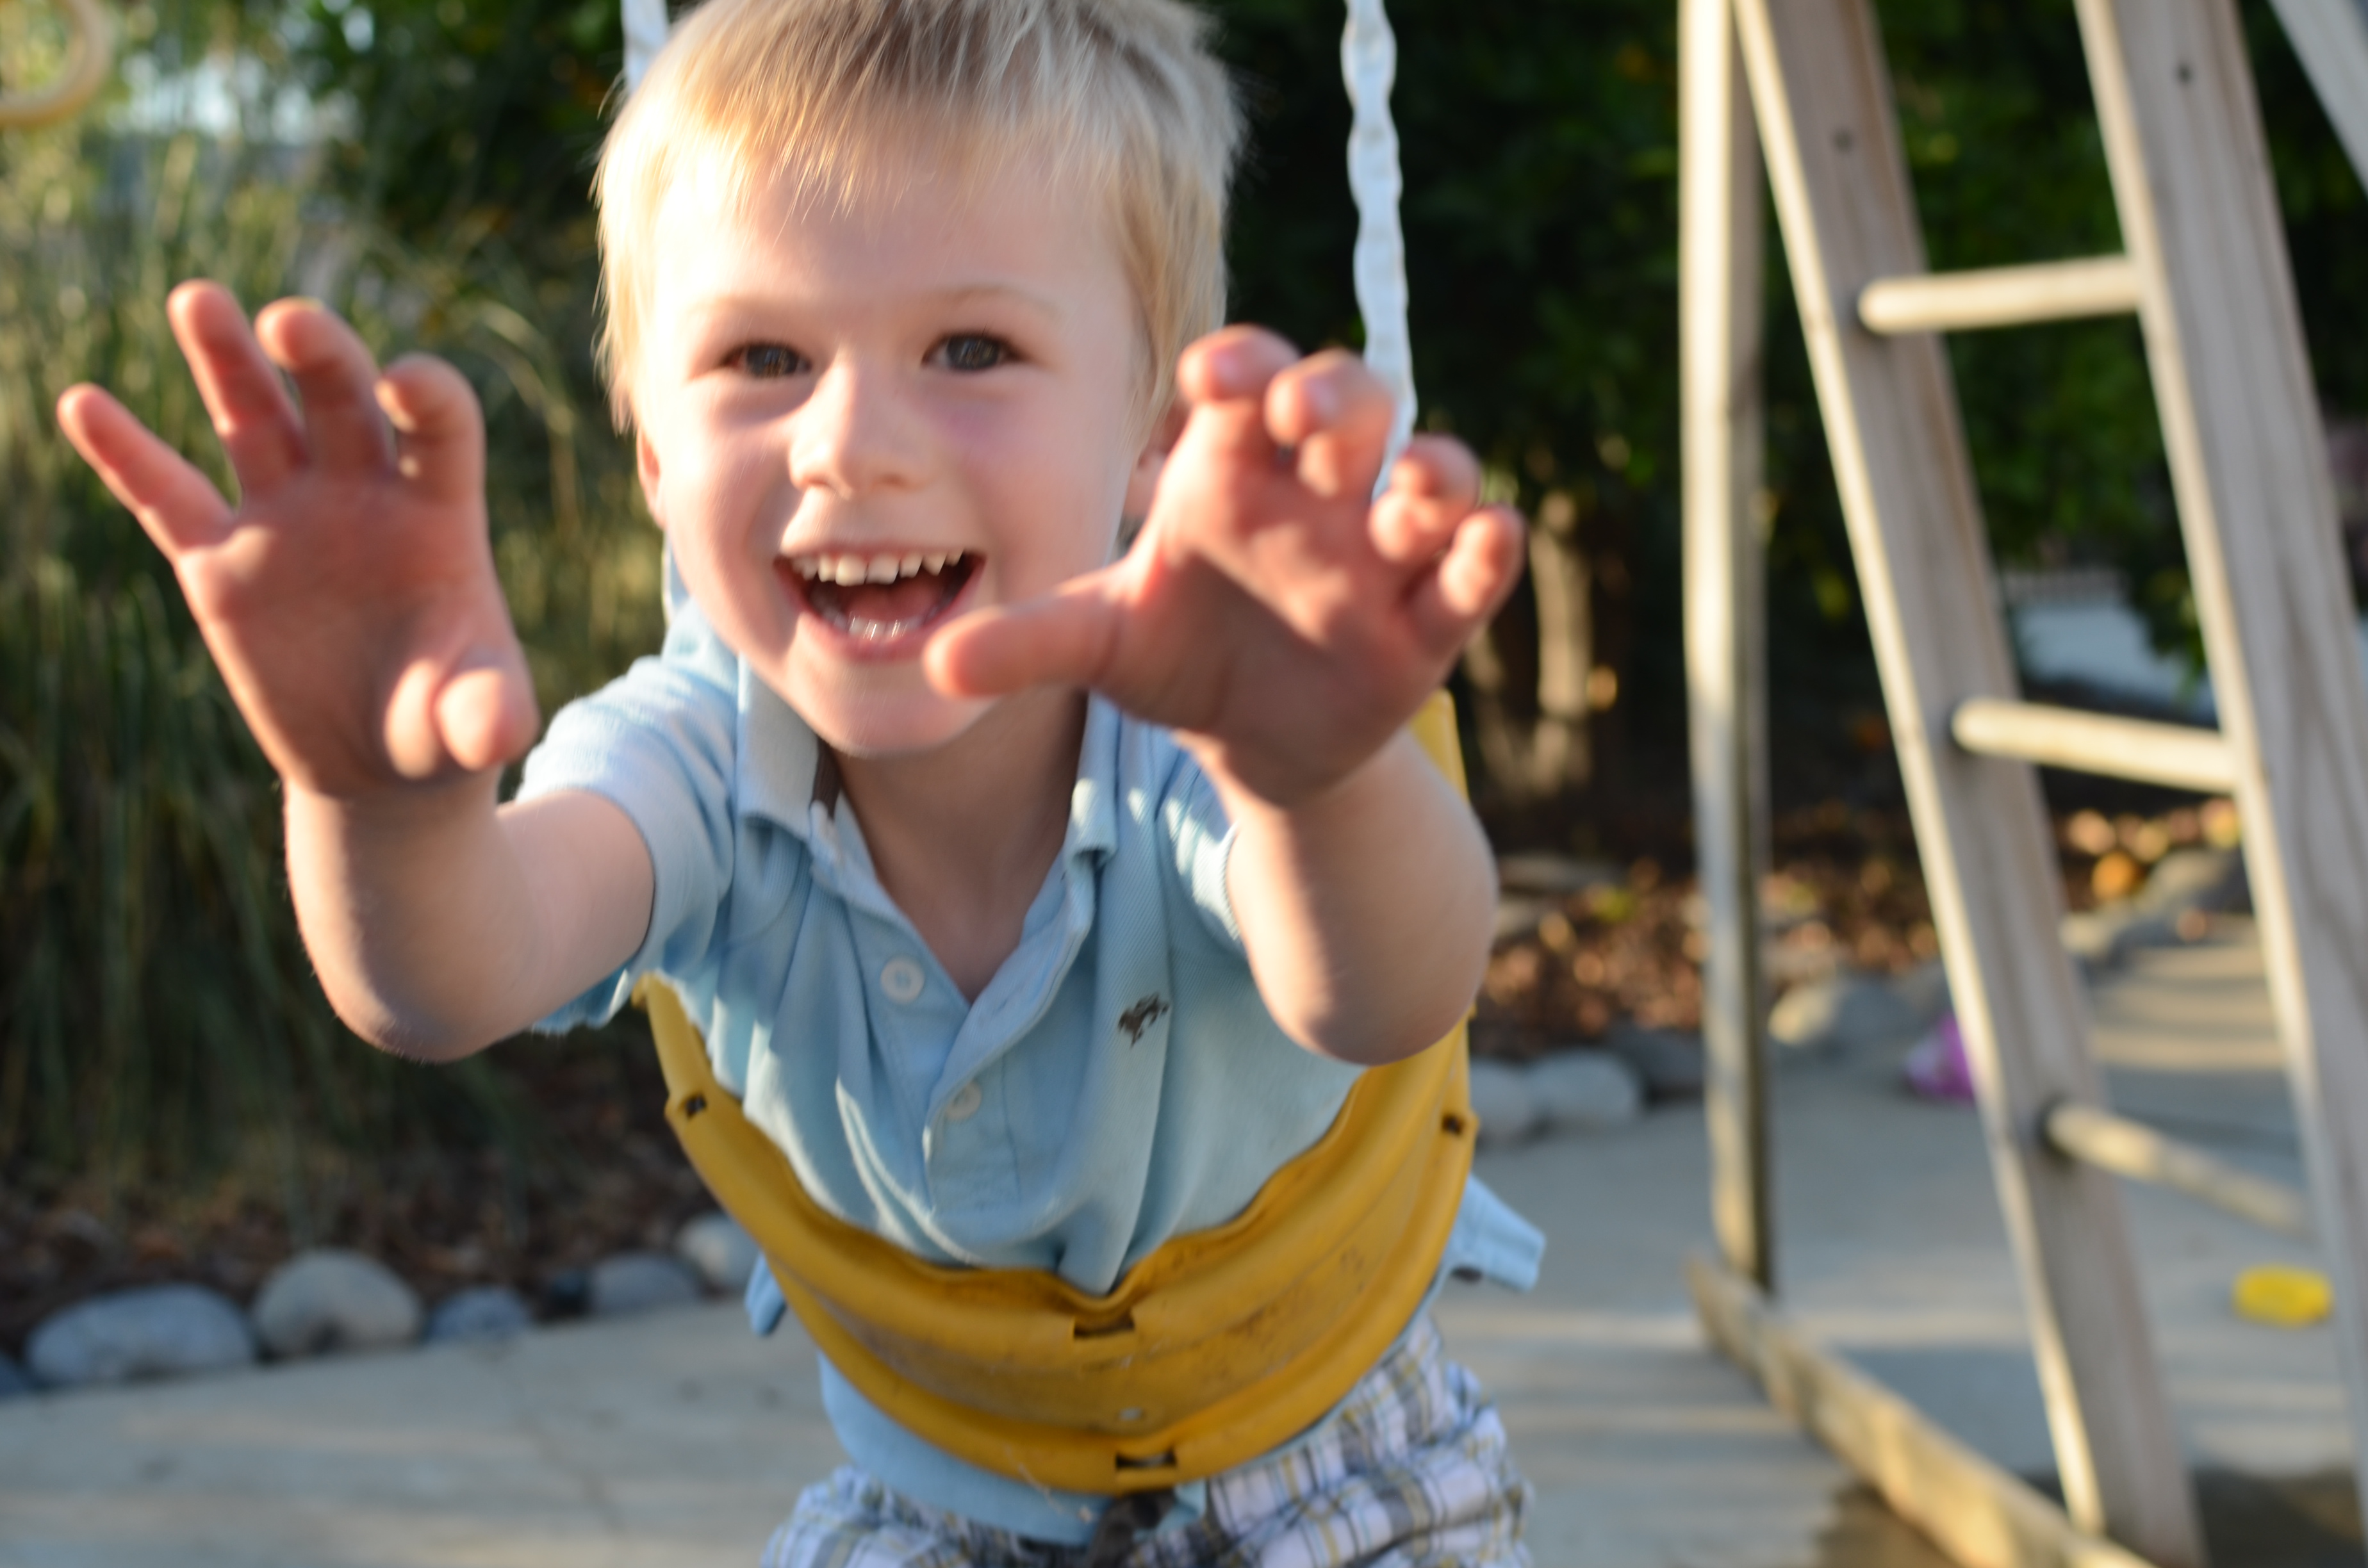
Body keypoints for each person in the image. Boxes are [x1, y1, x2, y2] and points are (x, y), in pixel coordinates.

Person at [57, 0, 1540, 1560]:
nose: (850, 444)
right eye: (763, 357)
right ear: (651, 451)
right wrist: (376, 799)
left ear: (1151, 428)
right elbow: (448, 977)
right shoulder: (698, 753)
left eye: (972, 350)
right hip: (938, 1491)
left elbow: (1392, 992)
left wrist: (1317, 781)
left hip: (1328, 1467)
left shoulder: (1198, 712)